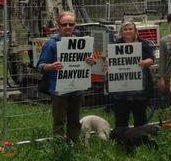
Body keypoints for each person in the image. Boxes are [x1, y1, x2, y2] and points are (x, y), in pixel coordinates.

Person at [37, 11, 96, 141]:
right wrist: (52, 66)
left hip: (77, 89)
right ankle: (60, 148)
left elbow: (90, 63)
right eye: (64, 24)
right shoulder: (51, 44)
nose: (68, 27)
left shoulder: (81, 42)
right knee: (59, 122)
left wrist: (92, 62)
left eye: (71, 24)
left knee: (75, 120)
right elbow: (40, 65)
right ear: (58, 25)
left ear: (75, 25)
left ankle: (73, 144)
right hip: (59, 90)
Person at [110, 20, 155, 128]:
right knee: (121, 117)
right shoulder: (115, 46)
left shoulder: (144, 43)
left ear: (135, 31)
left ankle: (140, 139)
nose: (128, 31)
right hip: (121, 90)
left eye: (130, 29)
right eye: (125, 29)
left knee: (140, 116)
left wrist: (145, 62)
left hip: (140, 89)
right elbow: (110, 62)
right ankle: (122, 139)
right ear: (121, 32)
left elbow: (152, 59)